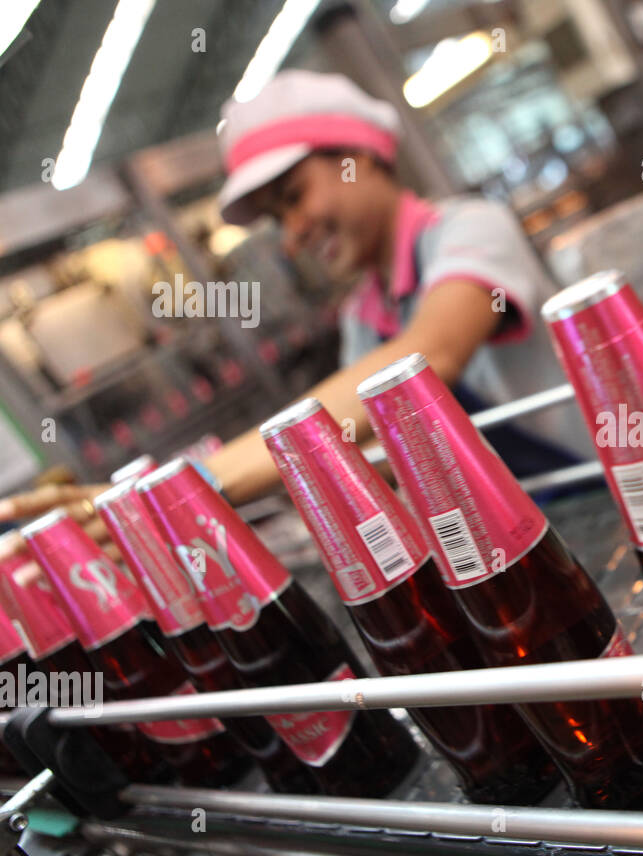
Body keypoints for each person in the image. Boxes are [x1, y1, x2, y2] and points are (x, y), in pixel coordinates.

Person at [0, 70, 592, 529]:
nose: (292, 233)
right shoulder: (365, 316)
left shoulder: (469, 230)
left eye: (293, 196)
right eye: (277, 218)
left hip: (599, 491)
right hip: (522, 529)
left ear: (356, 158)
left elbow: (429, 357)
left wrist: (196, 484)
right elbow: (368, 446)